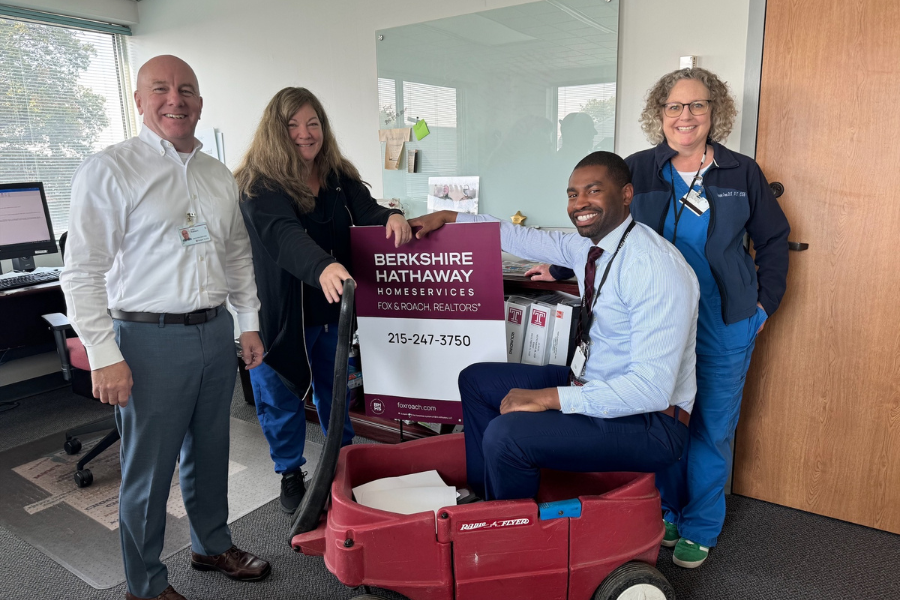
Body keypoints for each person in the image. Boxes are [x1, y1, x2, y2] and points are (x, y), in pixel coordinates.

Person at [526, 68, 791, 569]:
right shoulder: (638, 169)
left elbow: (774, 240)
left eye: (697, 105)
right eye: (674, 106)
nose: (685, 116)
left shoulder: (741, 172)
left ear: (714, 112)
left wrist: (763, 305)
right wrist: (561, 266)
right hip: (655, 321)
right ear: (660, 113)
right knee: (660, 416)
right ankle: (666, 509)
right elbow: (604, 226)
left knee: (712, 427)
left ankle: (700, 525)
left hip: (724, 320)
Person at [61, 56, 270, 600]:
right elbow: (81, 272)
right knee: (149, 472)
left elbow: (237, 254)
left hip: (214, 331)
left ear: (199, 102)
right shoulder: (110, 170)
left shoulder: (217, 174)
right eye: (160, 88)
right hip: (146, 339)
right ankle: (146, 585)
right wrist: (103, 353)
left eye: (186, 90)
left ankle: (211, 545)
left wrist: (247, 323)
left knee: (211, 449)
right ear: (139, 100)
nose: (175, 99)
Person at [410, 151, 700, 503]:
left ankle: (510, 525)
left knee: (506, 435)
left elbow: (650, 390)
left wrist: (548, 398)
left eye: (593, 190)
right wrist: (449, 217)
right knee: (476, 381)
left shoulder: (655, 267)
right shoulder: (587, 246)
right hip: (591, 380)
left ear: (626, 194)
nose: (580, 203)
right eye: (573, 194)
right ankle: (486, 503)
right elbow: (518, 238)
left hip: (651, 422)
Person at [235, 87, 412, 514]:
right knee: (279, 396)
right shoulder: (259, 183)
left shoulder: (337, 175)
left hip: (333, 311)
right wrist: (322, 266)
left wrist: (392, 215)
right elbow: (283, 234)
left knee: (336, 395)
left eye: (313, 123)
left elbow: (366, 211)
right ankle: (289, 472)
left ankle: (340, 461)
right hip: (281, 315)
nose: (305, 133)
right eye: (293, 125)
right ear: (275, 131)